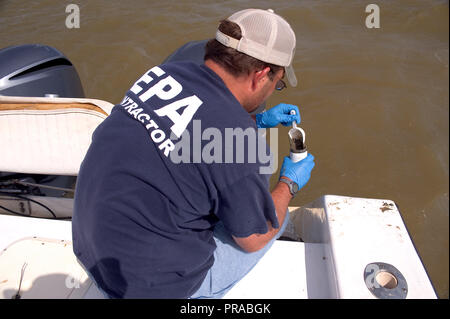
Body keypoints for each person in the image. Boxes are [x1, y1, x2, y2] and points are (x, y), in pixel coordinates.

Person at [72, 8, 315, 299]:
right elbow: (254, 238)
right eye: (278, 84)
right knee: (274, 219)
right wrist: (289, 183)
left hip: (87, 247)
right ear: (261, 75)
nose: (273, 90)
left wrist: (258, 121)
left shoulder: (164, 73)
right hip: (145, 288)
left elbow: (191, 125)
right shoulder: (239, 142)